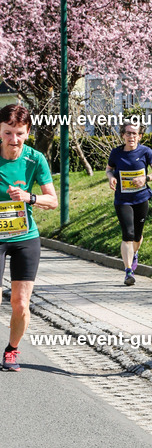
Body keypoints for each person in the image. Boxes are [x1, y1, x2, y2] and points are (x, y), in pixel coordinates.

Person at [0, 104, 58, 370]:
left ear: (28, 132)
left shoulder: (36, 159)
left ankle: (12, 350)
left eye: (19, 133)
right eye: (8, 133)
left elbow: (52, 201)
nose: (14, 140)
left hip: (25, 237)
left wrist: (29, 198)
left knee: (21, 303)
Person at [106, 120, 152, 286]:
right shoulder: (116, 153)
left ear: (139, 136)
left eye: (134, 133)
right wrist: (111, 177)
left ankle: (134, 253)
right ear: (123, 135)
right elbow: (109, 169)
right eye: (128, 133)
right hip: (123, 200)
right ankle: (128, 271)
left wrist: (146, 178)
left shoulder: (146, 152)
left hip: (141, 198)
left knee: (137, 235)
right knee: (128, 234)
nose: (131, 136)